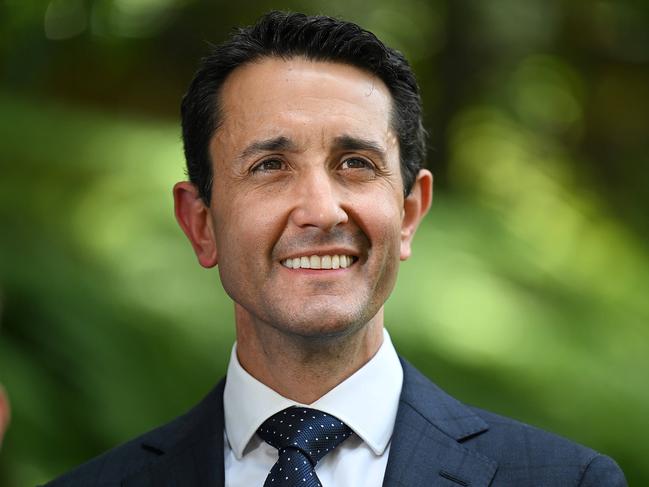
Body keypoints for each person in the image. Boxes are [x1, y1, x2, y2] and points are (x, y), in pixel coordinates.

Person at [45, 11, 626, 487]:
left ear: (408, 214)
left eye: (356, 164)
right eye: (270, 166)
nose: (322, 211)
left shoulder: (567, 479)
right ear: (201, 224)